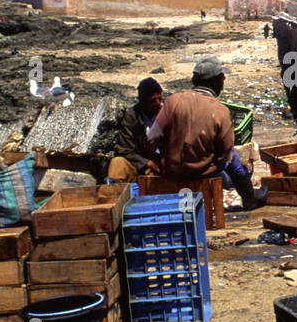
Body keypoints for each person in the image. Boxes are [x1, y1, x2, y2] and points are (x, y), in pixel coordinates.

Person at [146, 56, 266, 209]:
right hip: (203, 173)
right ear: (216, 82)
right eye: (222, 79)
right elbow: (226, 155)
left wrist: (164, 157)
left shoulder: (172, 101)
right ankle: (249, 198)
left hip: (172, 171)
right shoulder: (221, 111)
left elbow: (151, 139)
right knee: (233, 156)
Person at [111, 77, 164, 181]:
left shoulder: (166, 113)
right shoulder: (132, 116)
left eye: (159, 99)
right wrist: (145, 163)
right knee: (117, 163)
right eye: (153, 100)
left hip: (163, 165)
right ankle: (111, 195)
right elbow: (124, 150)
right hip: (140, 166)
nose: (158, 103)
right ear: (143, 101)